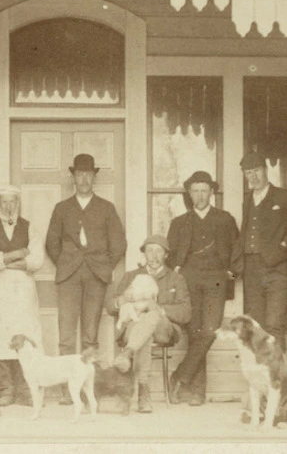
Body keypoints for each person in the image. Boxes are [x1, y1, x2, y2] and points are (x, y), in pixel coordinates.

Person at [45, 153, 127, 405]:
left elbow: (119, 244)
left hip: (95, 276)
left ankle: (88, 389)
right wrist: (67, 262)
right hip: (68, 276)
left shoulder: (106, 208)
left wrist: (103, 266)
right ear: (73, 177)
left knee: (90, 336)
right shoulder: (62, 208)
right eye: (79, 174)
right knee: (66, 336)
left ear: (94, 178)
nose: (83, 179)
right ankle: (66, 391)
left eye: (88, 175)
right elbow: (51, 243)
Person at [165, 171, 239, 406]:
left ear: (211, 192)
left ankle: (180, 374)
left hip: (216, 279)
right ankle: (197, 392)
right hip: (189, 279)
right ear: (189, 193)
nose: (200, 195)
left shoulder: (225, 219)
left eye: (204, 191)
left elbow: (237, 248)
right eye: (195, 191)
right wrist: (176, 270)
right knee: (195, 333)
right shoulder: (179, 222)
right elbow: (171, 254)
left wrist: (232, 272)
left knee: (210, 330)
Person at [234, 151, 287, 352]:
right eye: (248, 173)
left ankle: (279, 381)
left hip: (278, 270)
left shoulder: (284, 196)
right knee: (258, 327)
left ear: (266, 170)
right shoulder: (248, 200)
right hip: (252, 270)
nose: (253, 177)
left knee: (274, 324)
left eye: (257, 171)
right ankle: (265, 380)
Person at [105, 235, 191, 413]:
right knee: (144, 333)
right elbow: (110, 307)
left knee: (151, 315)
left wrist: (157, 307)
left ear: (166, 255)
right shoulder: (131, 276)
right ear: (144, 253)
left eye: (159, 250)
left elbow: (185, 313)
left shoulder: (176, 278)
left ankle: (127, 354)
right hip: (134, 328)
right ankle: (143, 391)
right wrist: (122, 299)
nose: (154, 255)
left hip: (163, 329)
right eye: (150, 250)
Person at [0, 185, 43, 407]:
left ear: (18, 203)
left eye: (12, 202)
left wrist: (4, 260)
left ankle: (26, 389)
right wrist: (18, 253)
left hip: (22, 292)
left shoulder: (29, 227)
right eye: (4, 202)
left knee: (24, 336)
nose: (8, 207)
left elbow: (36, 261)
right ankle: (6, 389)